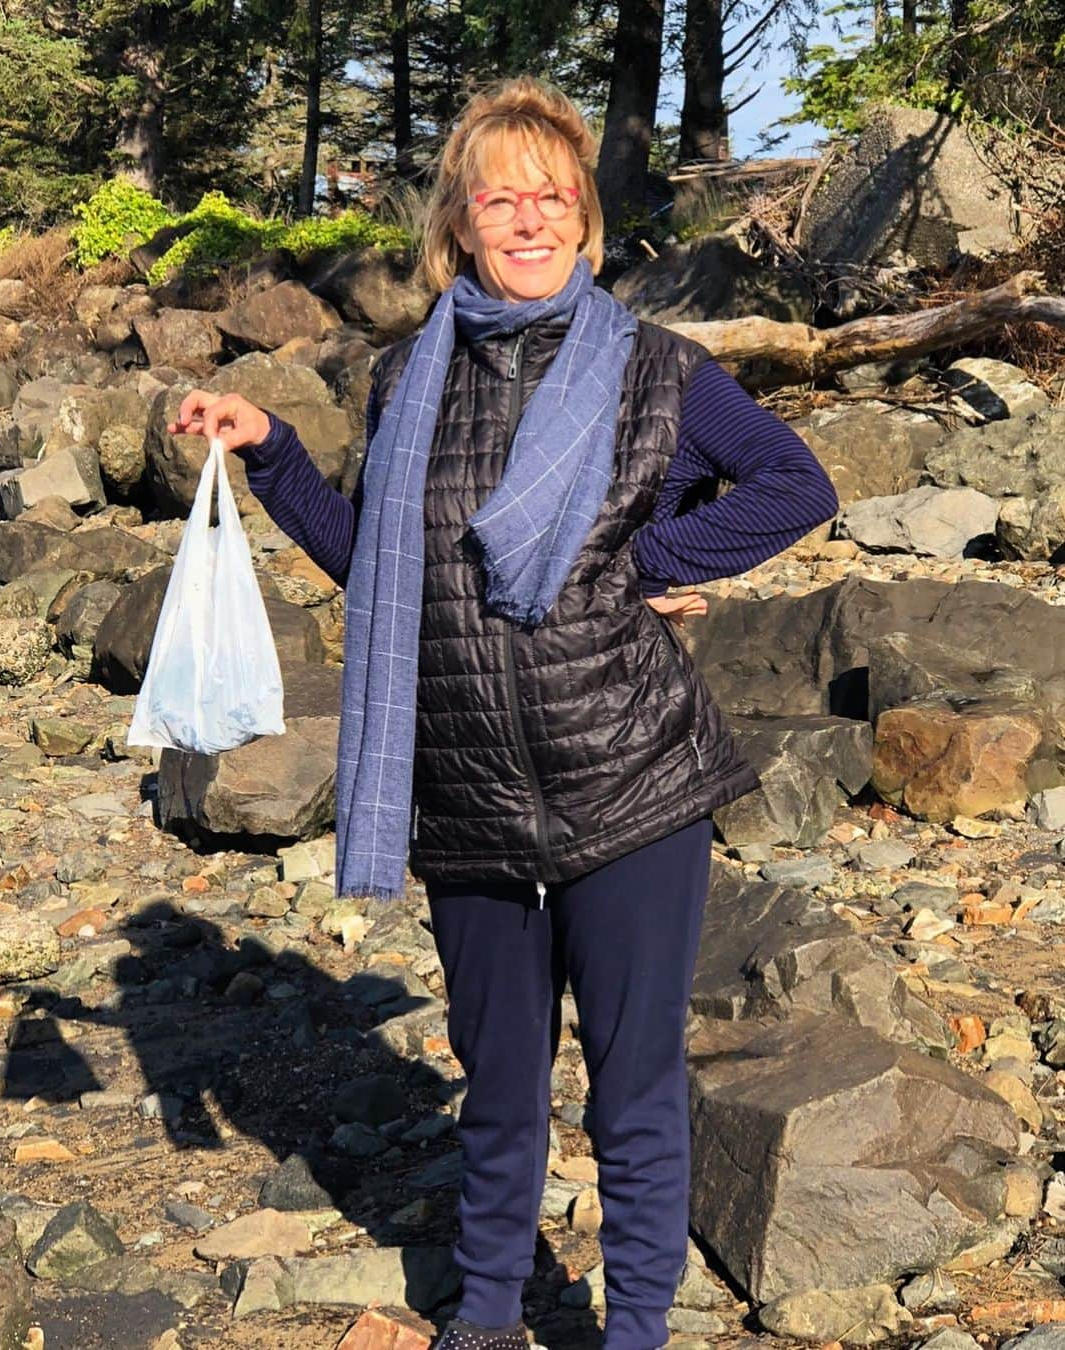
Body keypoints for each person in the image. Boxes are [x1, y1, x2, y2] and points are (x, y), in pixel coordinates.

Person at [169, 77, 838, 1350]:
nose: (527, 220)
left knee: (634, 1089)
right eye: (500, 198)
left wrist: (646, 567)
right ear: (459, 226)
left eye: (552, 198)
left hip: (630, 780)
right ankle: (484, 1317)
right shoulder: (405, 375)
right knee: (499, 1086)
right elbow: (379, 568)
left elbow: (792, 484)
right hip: (465, 784)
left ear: (584, 221)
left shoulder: (654, 370)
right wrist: (269, 450)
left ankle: (633, 1325)